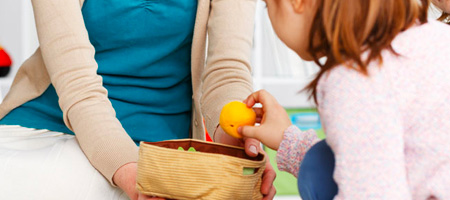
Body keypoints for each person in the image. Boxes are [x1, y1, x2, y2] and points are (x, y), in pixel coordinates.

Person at [0, 0, 276, 199]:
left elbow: (227, 71)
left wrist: (234, 140)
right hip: (51, 126)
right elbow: (78, 87)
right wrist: (132, 173)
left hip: (163, 146)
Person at [239, 0, 450, 199]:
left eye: (269, 6)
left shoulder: (357, 76)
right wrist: (288, 140)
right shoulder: (438, 39)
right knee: (321, 159)